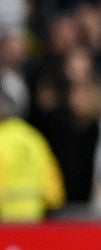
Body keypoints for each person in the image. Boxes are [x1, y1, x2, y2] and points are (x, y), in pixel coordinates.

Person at [0, 86, 64, 222]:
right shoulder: (34, 138)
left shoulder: (2, 138)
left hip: (4, 220)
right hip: (35, 219)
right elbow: (54, 192)